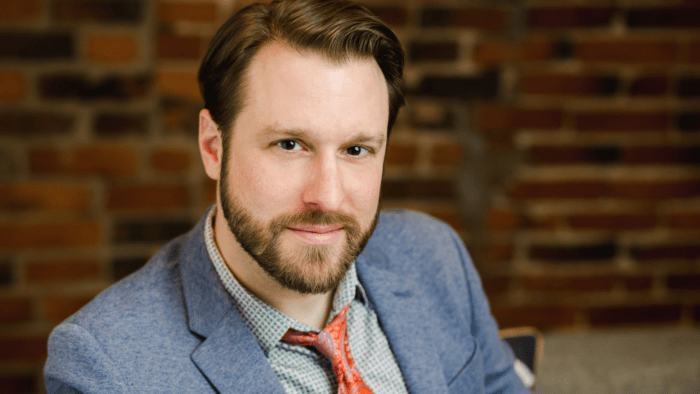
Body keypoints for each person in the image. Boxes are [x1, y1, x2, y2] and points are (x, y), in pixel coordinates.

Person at [44, 0, 529, 392]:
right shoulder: (105, 366)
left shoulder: (435, 256)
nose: (327, 195)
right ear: (214, 147)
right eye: (290, 145)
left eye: (357, 149)